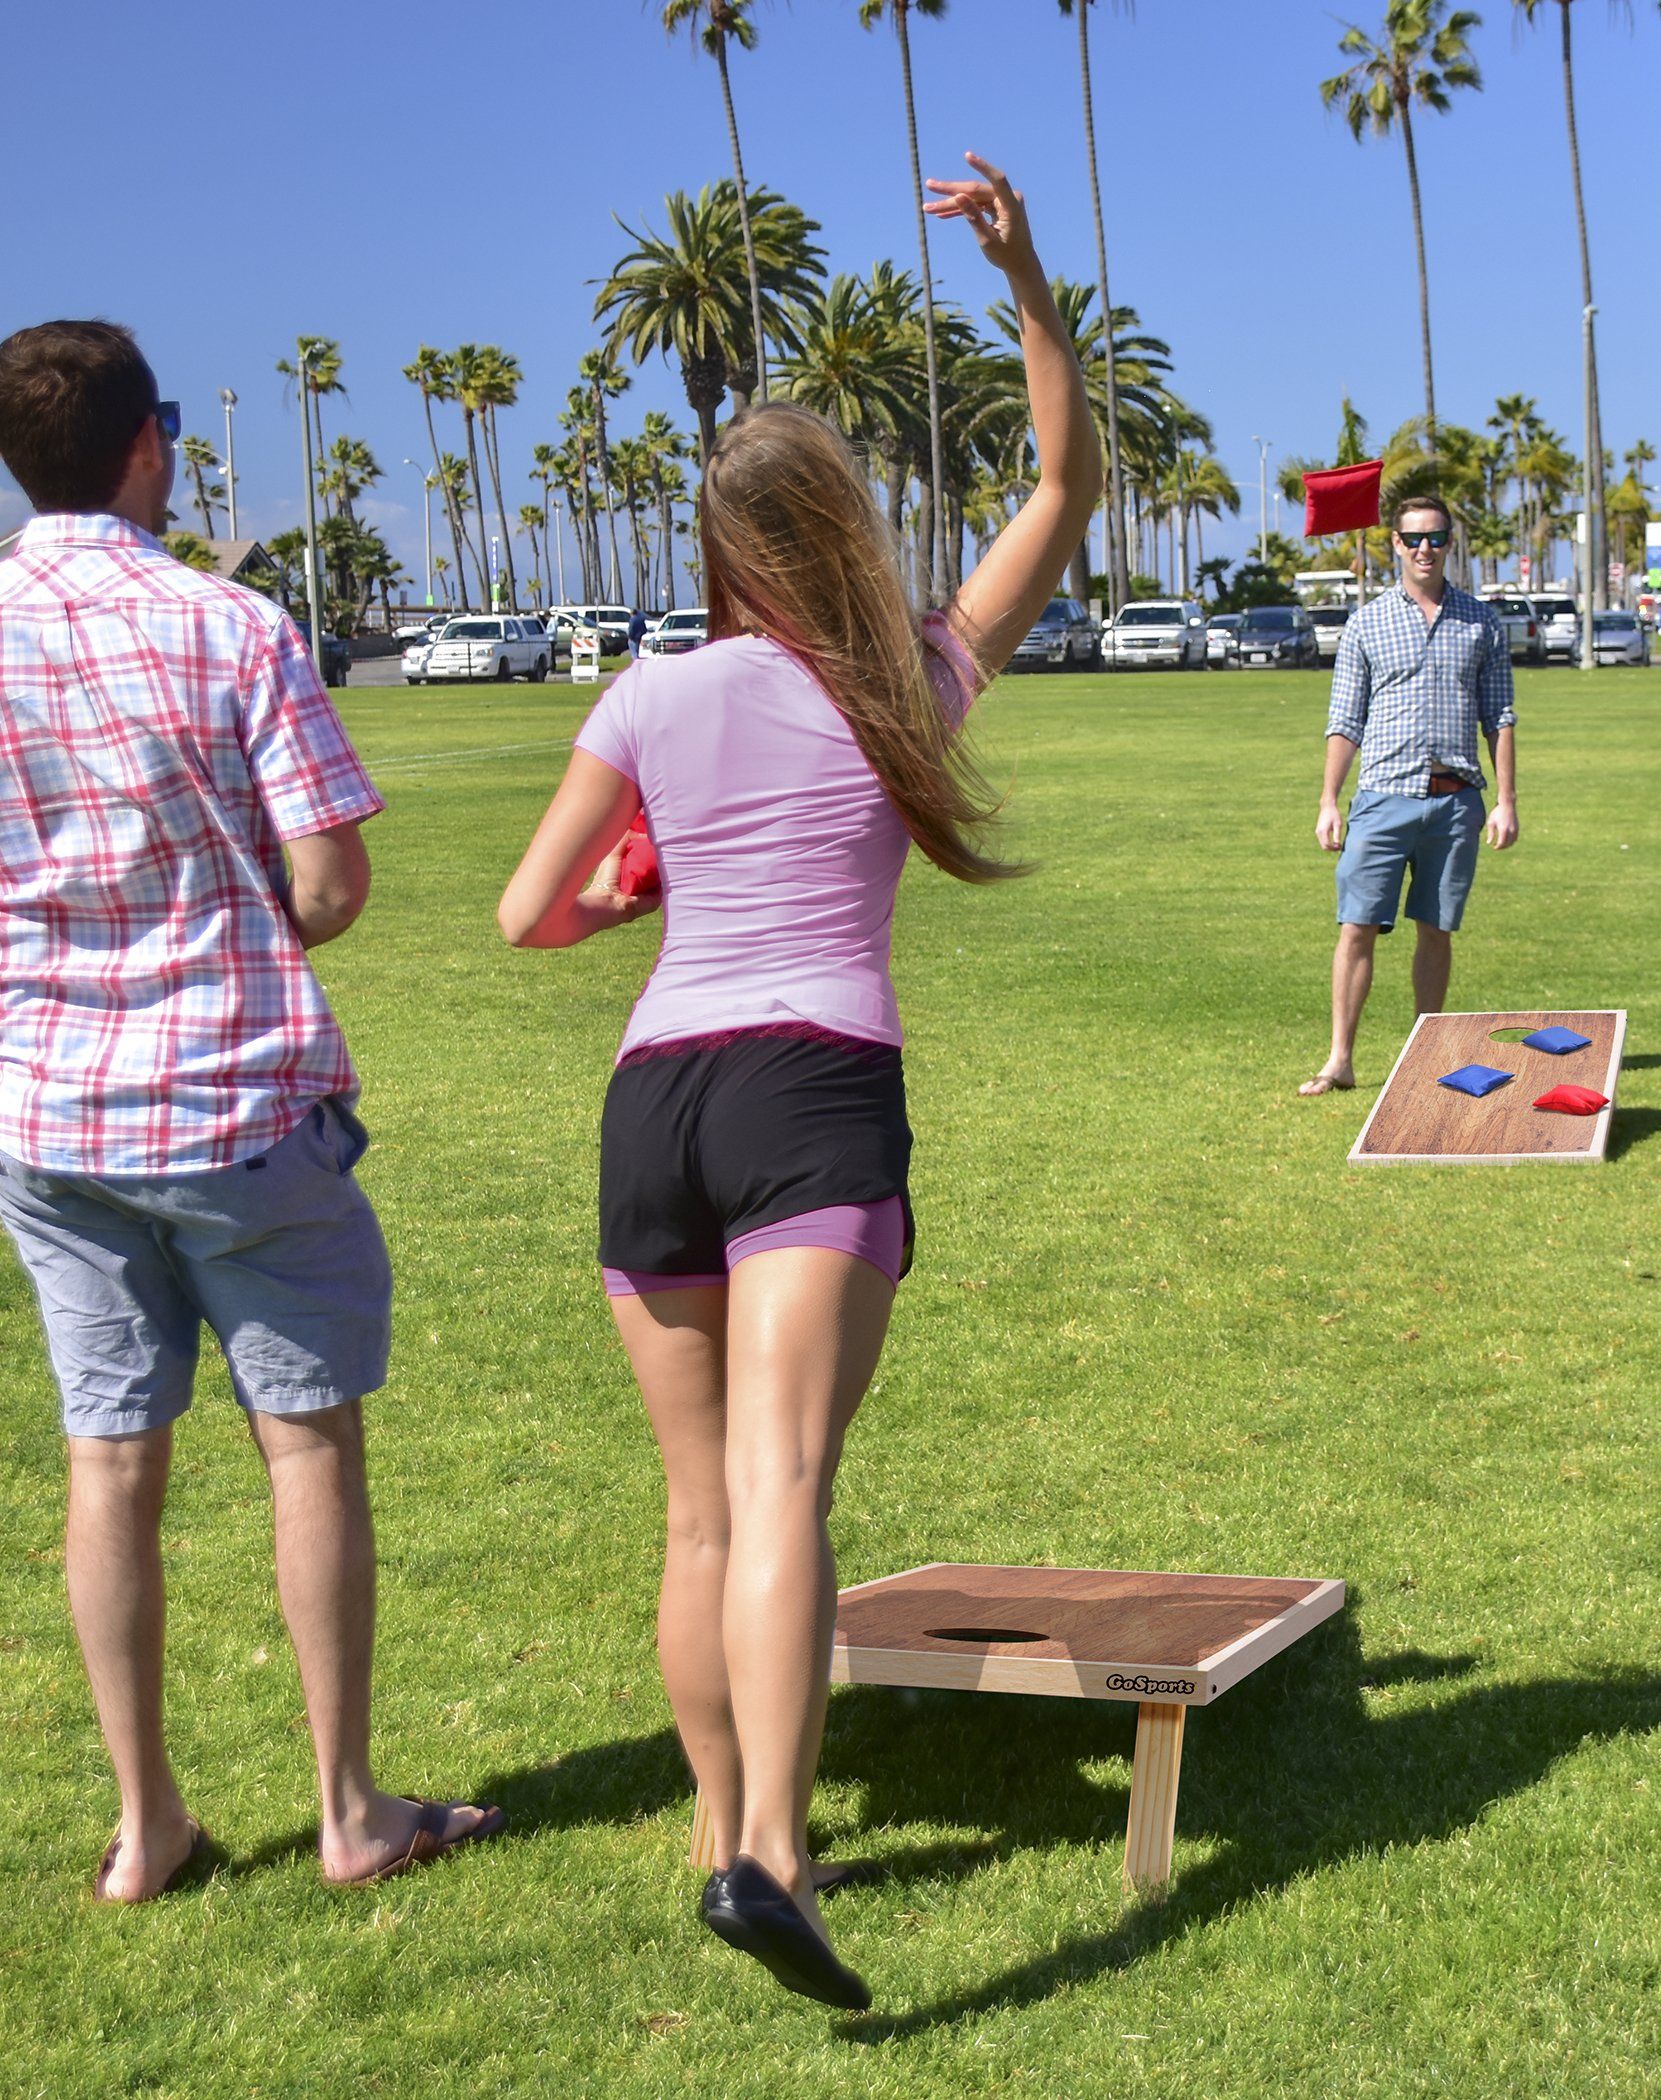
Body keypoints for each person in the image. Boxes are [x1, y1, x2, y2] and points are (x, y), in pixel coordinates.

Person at [498, 155, 1099, 2010]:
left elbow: (532, 914)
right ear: (841, 528)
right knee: (783, 1486)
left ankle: (718, 1832)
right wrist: (1027, 287)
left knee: (701, 1509)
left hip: (655, 1096)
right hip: (810, 1088)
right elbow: (1065, 486)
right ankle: (769, 1855)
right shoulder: (909, 676)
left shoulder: (652, 697)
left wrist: (652, 881)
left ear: (715, 550)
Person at [0, 321, 502, 1904]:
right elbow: (332, 881)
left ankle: (146, 1827)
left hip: (48, 1115)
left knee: (108, 1462)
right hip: (234, 1099)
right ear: (148, 441)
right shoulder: (231, 626)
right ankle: (350, 1807)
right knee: (305, 1447)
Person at [1300, 495, 1519, 1097]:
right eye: (1414, 538)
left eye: (1437, 538)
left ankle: (1427, 1055)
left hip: (1455, 804)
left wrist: (1506, 799)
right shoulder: (1367, 624)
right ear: (1395, 543)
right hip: (1382, 799)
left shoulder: (1482, 622)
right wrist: (1328, 800)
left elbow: (1498, 716)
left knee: (1435, 929)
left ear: (1451, 543)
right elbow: (1345, 721)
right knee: (1356, 927)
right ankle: (1340, 1059)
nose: (1426, 549)